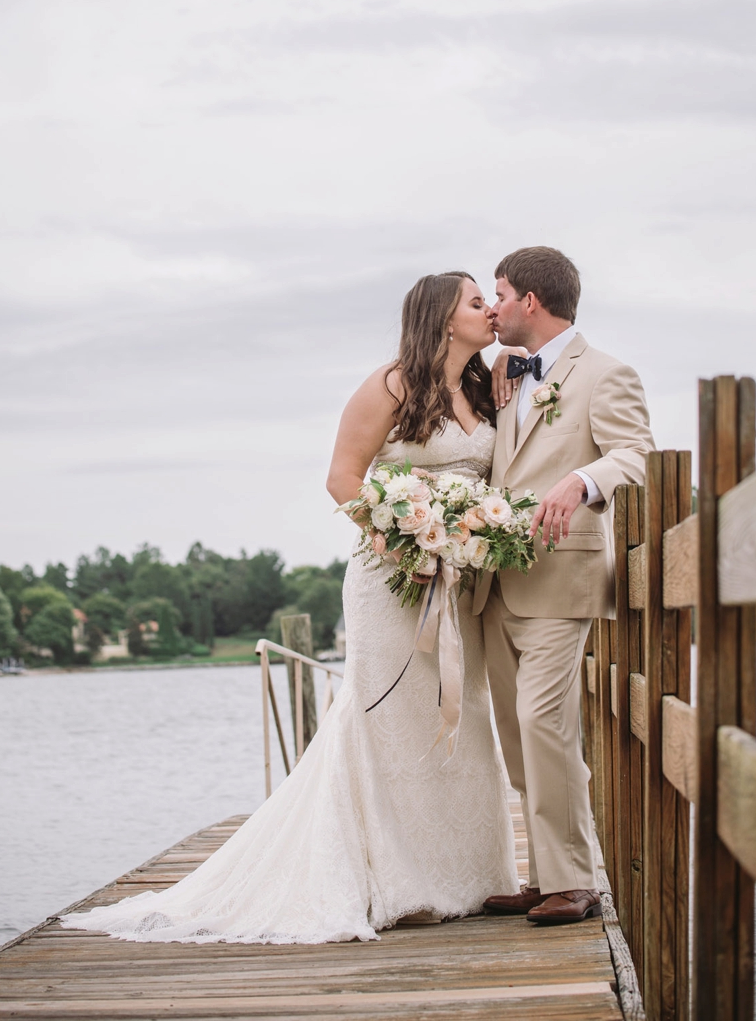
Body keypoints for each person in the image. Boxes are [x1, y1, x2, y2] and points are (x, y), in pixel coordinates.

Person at [62, 272, 517, 946]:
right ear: (444, 320)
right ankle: (391, 881)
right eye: (478, 303)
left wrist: (462, 541)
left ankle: (467, 878)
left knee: (461, 715)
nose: (492, 311)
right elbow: (342, 476)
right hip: (392, 582)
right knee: (388, 719)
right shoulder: (392, 385)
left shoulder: (486, 386)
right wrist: (407, 546)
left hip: (463, 585)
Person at [477, 246, 653, 927]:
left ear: (529, 300)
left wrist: (582, 481)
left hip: (561, 576)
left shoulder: (607, 373)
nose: (490, 308)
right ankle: (543, 872)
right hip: (493, 585)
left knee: (542, 723)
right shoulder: (503, 375)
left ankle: (577, 879)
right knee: (516, 739)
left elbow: (637, 454)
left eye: (497, 294)